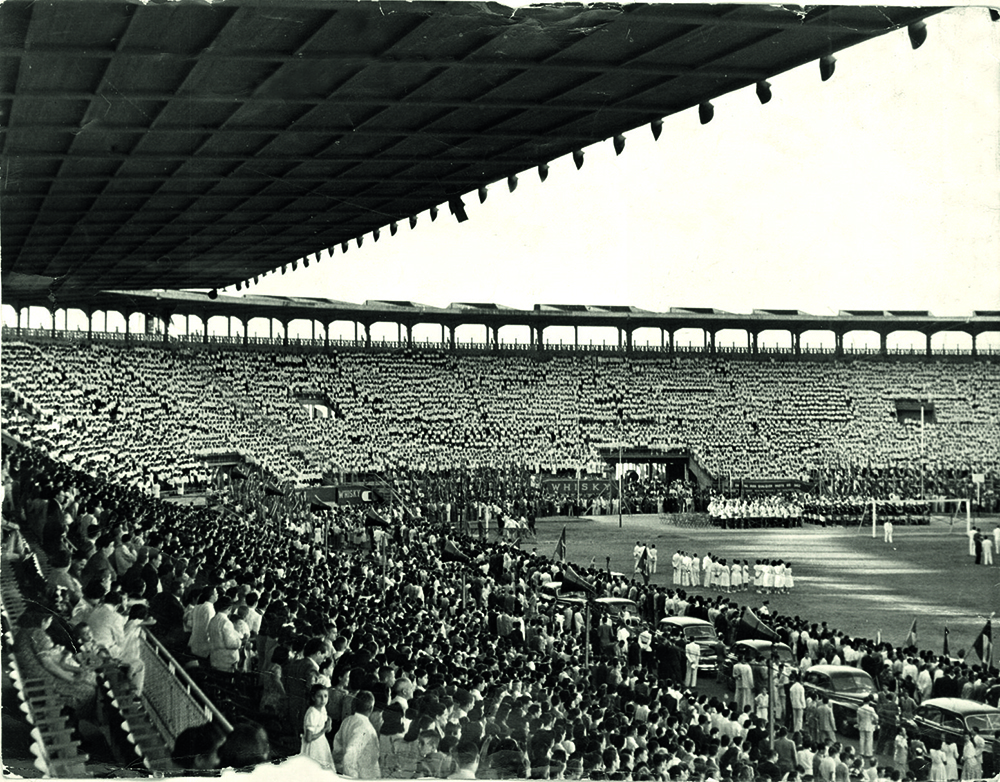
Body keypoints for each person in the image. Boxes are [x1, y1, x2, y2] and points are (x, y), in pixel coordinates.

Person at [333, 689, 381, 778]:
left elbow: (337, 747)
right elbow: (349, 756)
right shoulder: (366, 728)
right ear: (371, 708)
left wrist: (340, 767)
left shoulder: (347, 721)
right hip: (362, 776)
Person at [301, 684, 336, 770]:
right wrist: (323, 730)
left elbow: (325, 717)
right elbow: (308, 738)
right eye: (319, 696)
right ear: (313, 697)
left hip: (321, 744)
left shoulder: (322, 708)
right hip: (313, 746)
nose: (323, 700)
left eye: (325, 696)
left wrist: (329, 721)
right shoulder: (312, 713)